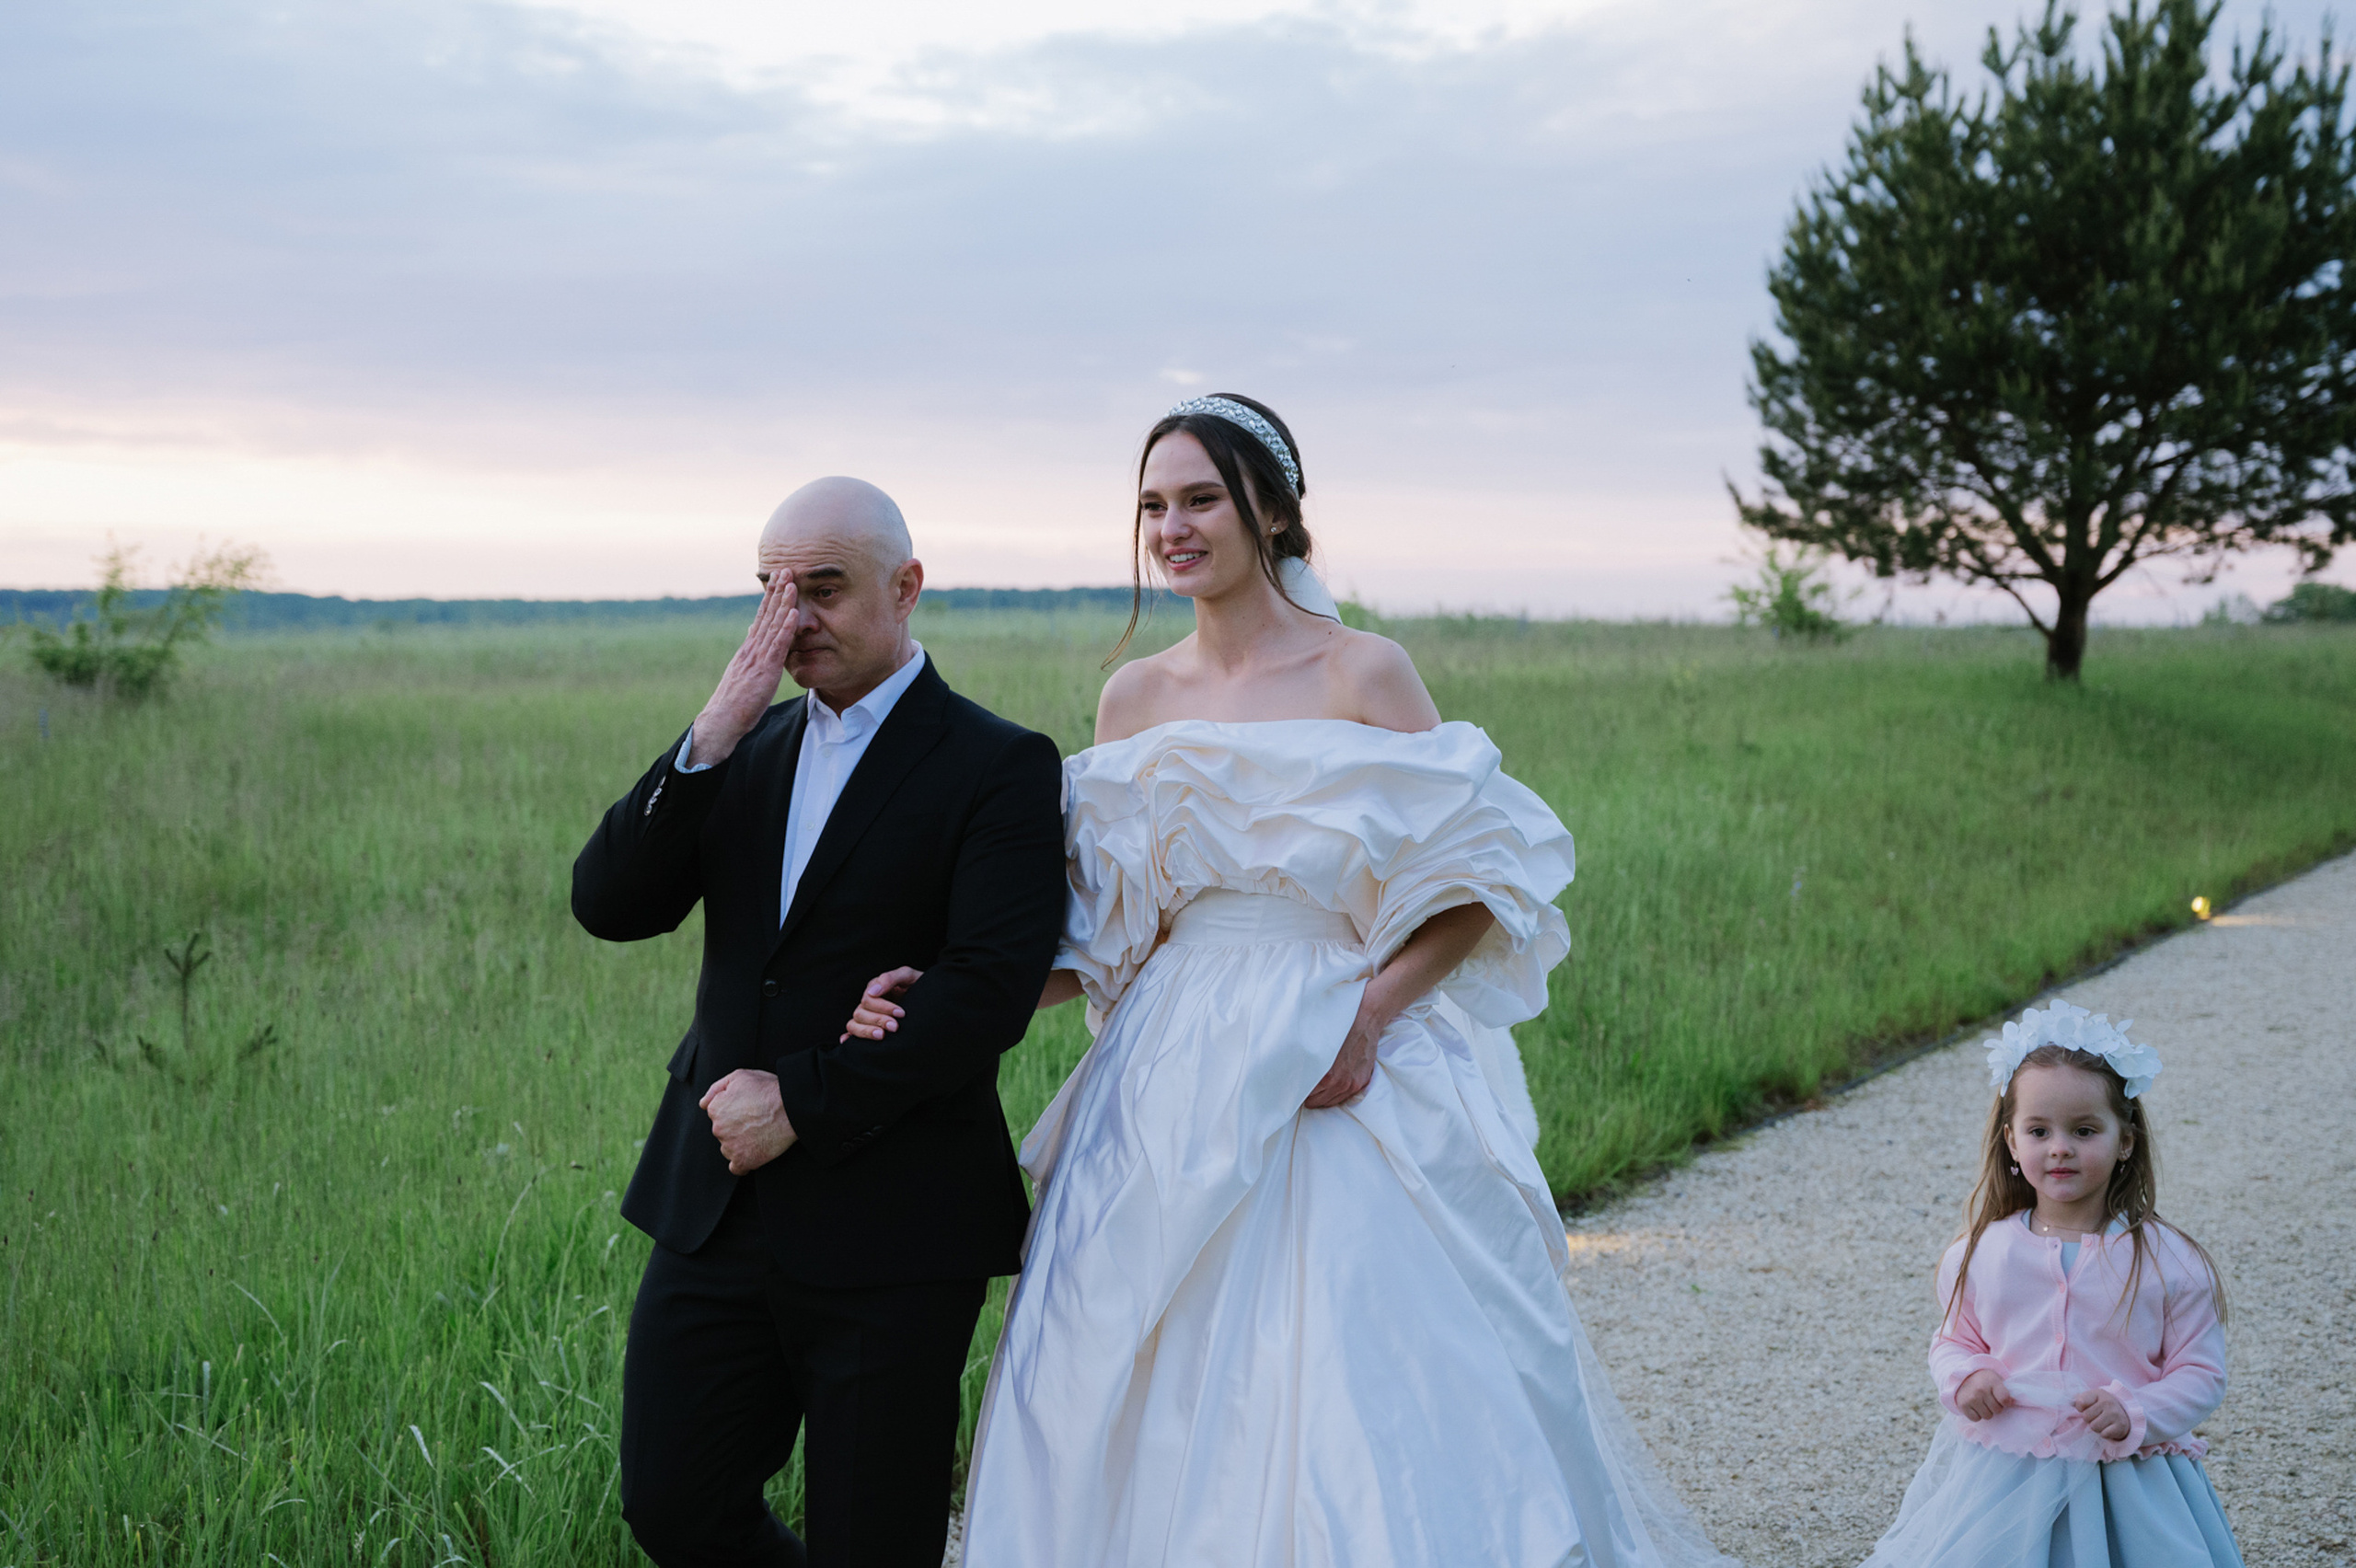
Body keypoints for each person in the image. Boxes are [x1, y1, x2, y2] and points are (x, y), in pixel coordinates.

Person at [843, 397, 1737, 1567]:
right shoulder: (1134, 698)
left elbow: (1478, 881)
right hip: (1167, 1066)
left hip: (1342, 1045)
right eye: (1153, 506)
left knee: (1353, 1358)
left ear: (1270, 508)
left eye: (1200, 498)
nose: (1172, 527)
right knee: (1119, 1363)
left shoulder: (1364, 672)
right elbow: (1107, 931)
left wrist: (1365, 1017)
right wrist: (947, 991)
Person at [571, 477, 1068, 1568]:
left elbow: (987, 991)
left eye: (823, 589)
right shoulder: (741, 750)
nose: (791, 620)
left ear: (907, 587)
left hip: (893, 1225)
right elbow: (608, 907)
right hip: (716, 1204)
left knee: (873, 1540)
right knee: (674, 1505)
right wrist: (708, 733)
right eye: (769, 591)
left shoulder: (999, 766)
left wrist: (798, 1100)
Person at [1860, 1000, 2242, 1568]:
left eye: (2084, 1130)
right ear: (2012, 1142)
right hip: (2008, 1476)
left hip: (2129, 1482)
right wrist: (1966, 1377)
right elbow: (1953, 1341)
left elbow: (2201, 1372)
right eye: (2039, 1130)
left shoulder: (2168, 1262)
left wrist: (2139, 1410)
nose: (2059, 1147)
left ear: (2125, 1140)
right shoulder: (1982, 1253)